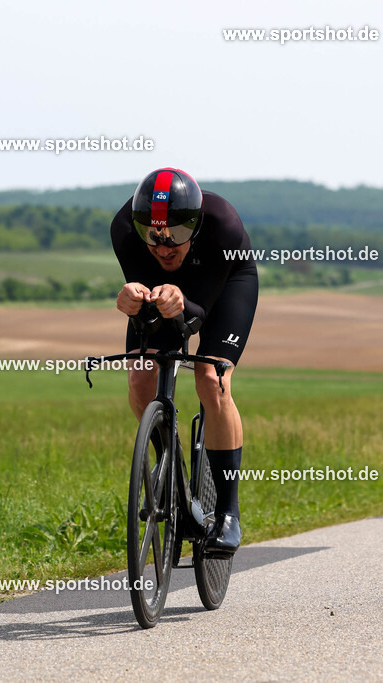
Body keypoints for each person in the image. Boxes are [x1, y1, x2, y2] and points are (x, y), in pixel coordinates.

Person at [111, 167, 258, 555]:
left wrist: (178, 301)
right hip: (168, 294)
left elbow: (196, 316)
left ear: (194, 225)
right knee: (142, 375)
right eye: (154, 237)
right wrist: (132, 300)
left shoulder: (222, 225)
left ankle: (227, 514)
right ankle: (170, 466)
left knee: (212, 379)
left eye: (176, 236)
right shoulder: (124, 229)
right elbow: (147, 309)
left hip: (224, 286)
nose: (163, 247)